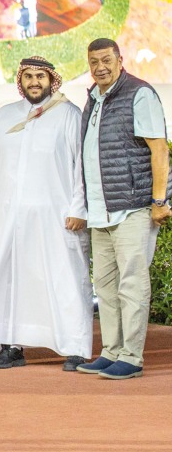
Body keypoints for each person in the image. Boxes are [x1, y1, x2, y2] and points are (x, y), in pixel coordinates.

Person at [0, 56, 90, 371]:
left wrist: (79, 207)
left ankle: (74, 347)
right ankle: (12, 347)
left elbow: (83, 167)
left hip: (57, 219)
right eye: (28, 77)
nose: (34, 82)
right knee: (9, 281)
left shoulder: (68, 115)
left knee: (65, 279)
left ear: (52, 80)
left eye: (40, 76)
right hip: (6, 218)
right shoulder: (2, 117)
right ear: (20, 81)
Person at [75, 39, 170, 380]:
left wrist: (159, 201)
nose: (100, 66)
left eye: (106, 59)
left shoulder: (139, 93)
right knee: (106, 285)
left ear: (119, 60)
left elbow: (159, 149)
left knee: (131, 283)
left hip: (132, 207)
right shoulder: (94, 98)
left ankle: (132, 356)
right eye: (93, 61)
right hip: (101, 211)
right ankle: (112, 351)